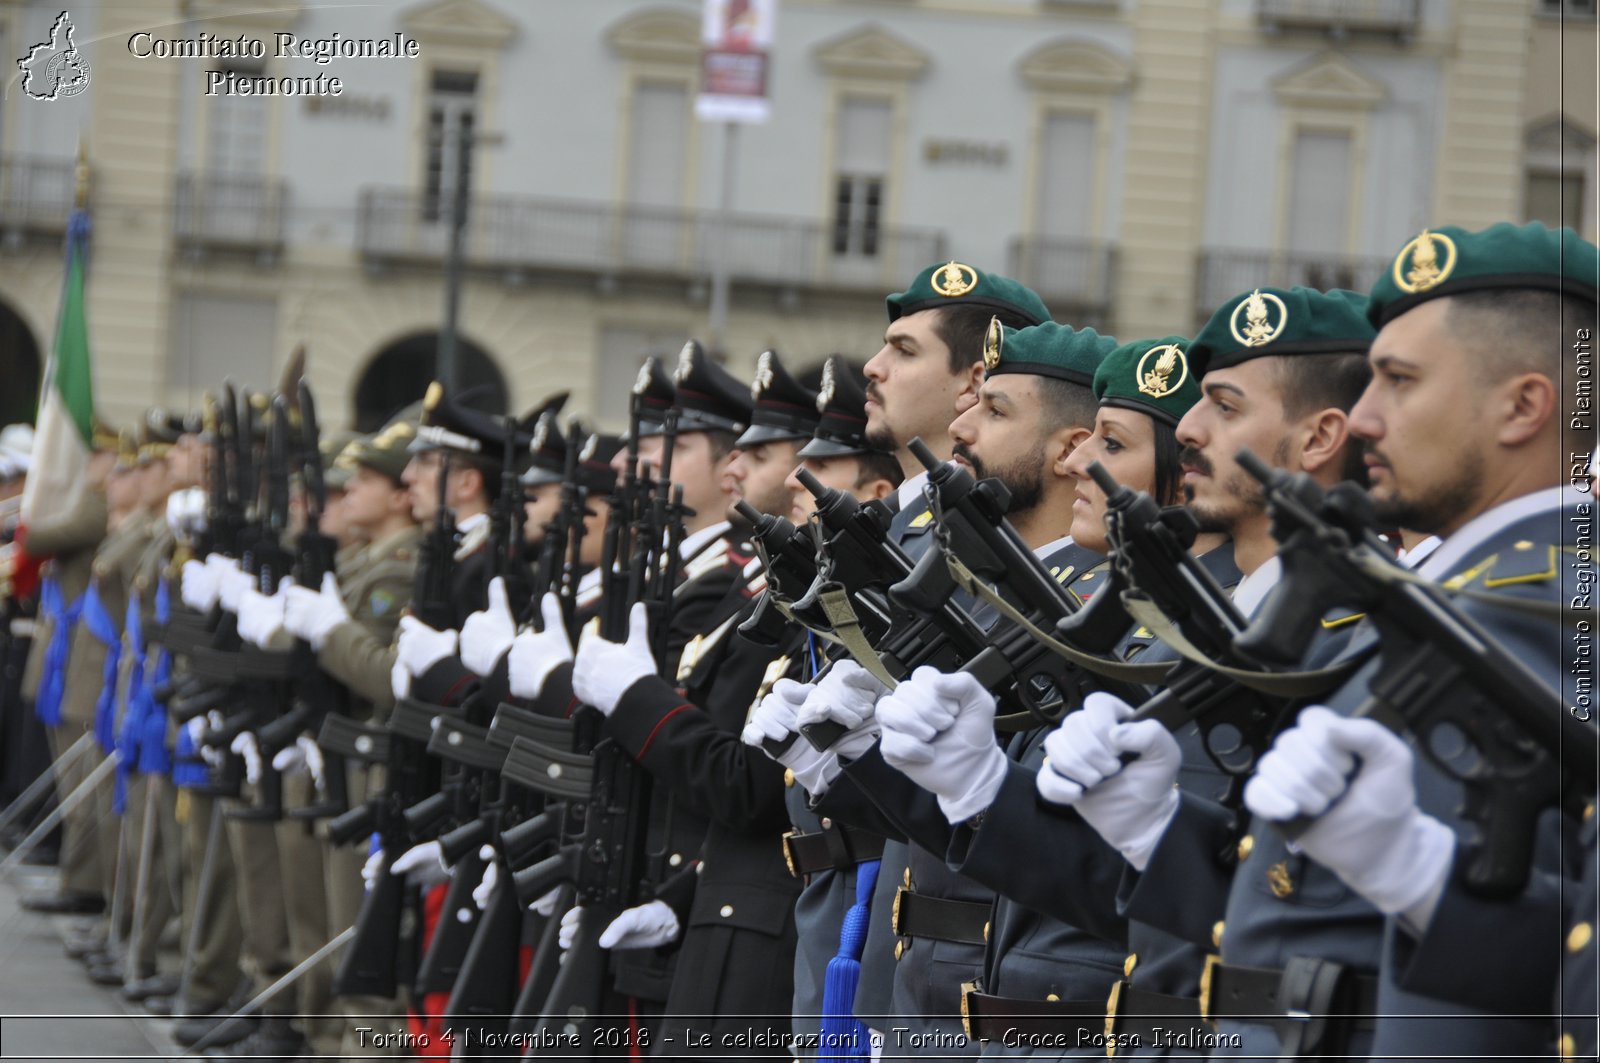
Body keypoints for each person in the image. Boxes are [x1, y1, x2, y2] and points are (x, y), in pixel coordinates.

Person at [1231, 223, 1598, 1059]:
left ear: (1524, 406)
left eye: (1398, 382)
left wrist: (1424, 876)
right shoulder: (1468, 596)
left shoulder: (1550, 607)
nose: (1361, 418)